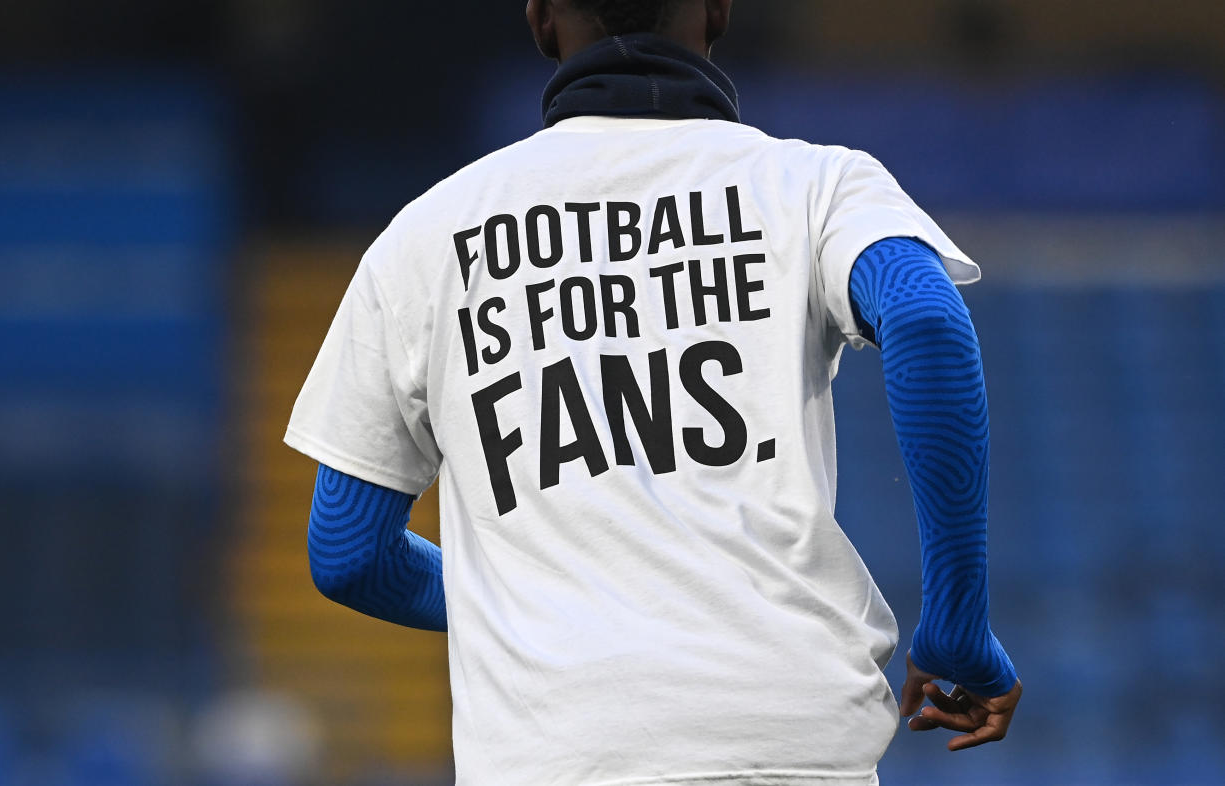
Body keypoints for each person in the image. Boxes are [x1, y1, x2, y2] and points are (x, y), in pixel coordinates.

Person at [285, 0, 1022, 783]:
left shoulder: (425, 237)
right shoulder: (813, 184)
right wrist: (955, 623)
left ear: (540, 21)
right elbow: (923, 316)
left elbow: (348, 553)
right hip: (789, 743)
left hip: (557, 755)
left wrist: (526, 599)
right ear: (718, 12)